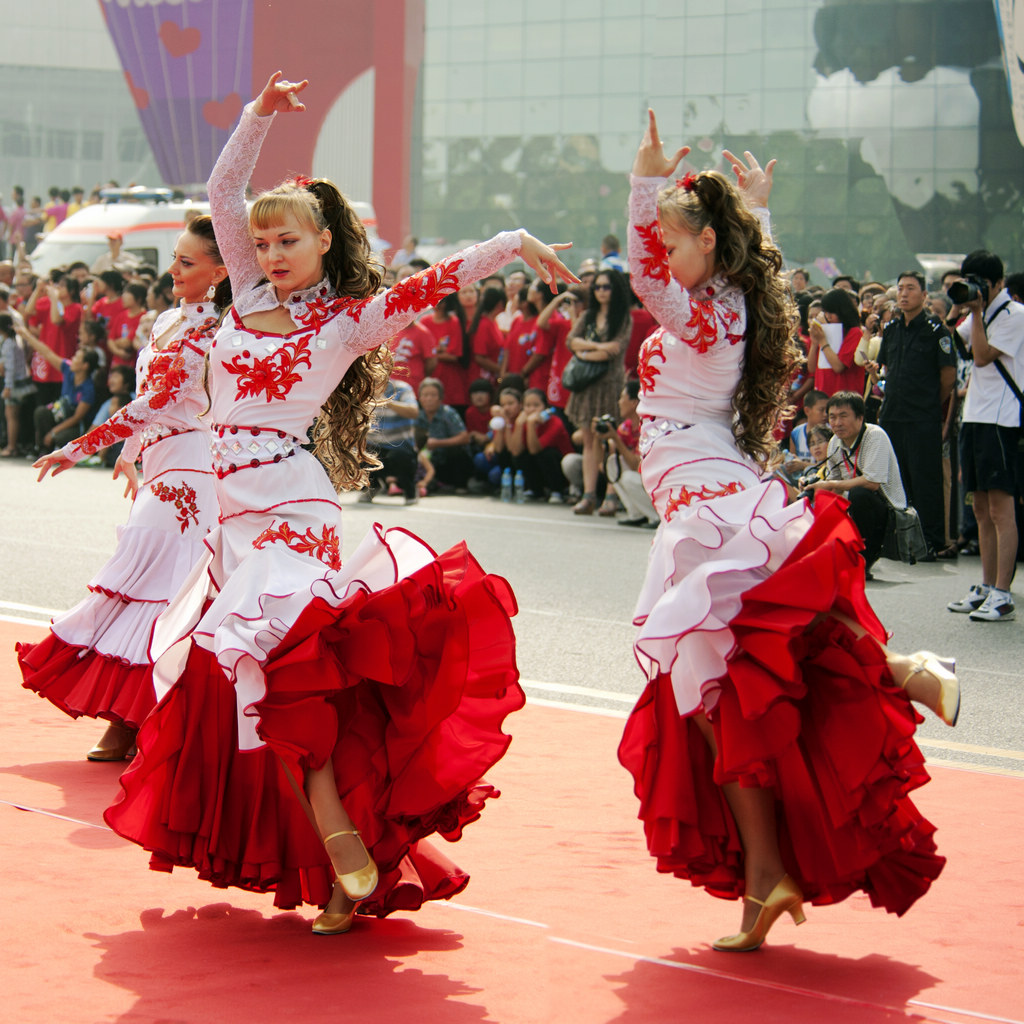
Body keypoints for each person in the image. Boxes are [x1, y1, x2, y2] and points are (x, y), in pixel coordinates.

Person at [102, 71, 576, 935]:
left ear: (324, 242)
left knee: (278, 683)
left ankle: (345, 853)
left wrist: (511, 241)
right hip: (232, 525)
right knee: (280, 699)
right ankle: (339, 864)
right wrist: (255, 115)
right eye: (264, 241)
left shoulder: (347, 325)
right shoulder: (245, 299)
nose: (273, 253)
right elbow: (219, 190)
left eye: (289, 240)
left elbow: (433, 282)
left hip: (292, 513)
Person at [617, 111, 957, 953]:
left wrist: (644, 185)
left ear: (707, 246)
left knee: (719, 687)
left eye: (673, 236)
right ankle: (768, 871)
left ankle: (902, 674)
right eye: (661, 235)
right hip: (704, 488)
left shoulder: (696, 312)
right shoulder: (728, 300)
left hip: (702, 499)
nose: (662, 250)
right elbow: (717, 268)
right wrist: (754, 211)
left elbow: (642, 273)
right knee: (729, 688)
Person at [17, 215, 230, 761]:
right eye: (175, 259)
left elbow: (157, 404)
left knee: (163, 588)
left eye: (187, 262)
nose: (175, 271)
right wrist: (131, 455)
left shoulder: (214, 335)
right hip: (160, 465)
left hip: (193, 470)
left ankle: (143, 720)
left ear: (220, 270)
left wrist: (78, 447)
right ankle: (135, 717)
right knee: (143, 585)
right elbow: (147, 396)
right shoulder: (163, 323)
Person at [946, 250, 1024, 622]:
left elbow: (980, 356)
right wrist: (958, 310)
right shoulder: (984, 313)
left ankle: (1003, 593)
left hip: (1001, 420)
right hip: (975, 415)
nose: (974, 289)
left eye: (979, 283)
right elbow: (955, 344)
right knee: (978, 507)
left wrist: (975, 312)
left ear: (997, 284)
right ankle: (986, 586)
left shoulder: (1015, 315)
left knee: (1000, 508)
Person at [869, 271, 956, 559]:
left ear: (924, 295)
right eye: (901, 288)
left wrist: (930, 404)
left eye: (910, 288)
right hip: (894, 413)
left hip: (922, 416)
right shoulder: (892, 329)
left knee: (925, 480)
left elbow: (947, 378)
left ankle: (930, 541)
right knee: (897, 479)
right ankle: (897, 542)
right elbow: (886, 370)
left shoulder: (936, 330)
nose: (904, 294)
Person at [806, 391, 908, 578]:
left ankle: (863, 560)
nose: (836, 423)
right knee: (824, 496)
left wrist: (831, 485)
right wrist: (815, 488)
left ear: (860, 417)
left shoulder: (875, 436)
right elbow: (833, 485)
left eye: (843, 416)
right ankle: (828, 554)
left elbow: (872, 482)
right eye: (832, 417)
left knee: (860, 494)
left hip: (888, 511)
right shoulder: (835, 441)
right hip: (854, 505)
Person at [565, 268, 631, 514]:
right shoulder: (589, 315)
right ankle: (589, 495)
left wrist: (585, 351)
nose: (602, 291)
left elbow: (614, 350)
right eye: (598, 287)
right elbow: (572, 341)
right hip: (586, 385)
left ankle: (611, 496)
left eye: (607, 286)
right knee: (590, 441)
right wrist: (594, 347)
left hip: (610, 384)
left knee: (611, 440)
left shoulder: (623, 317)